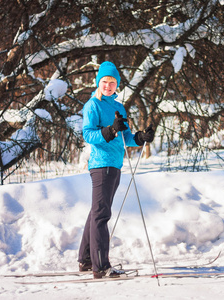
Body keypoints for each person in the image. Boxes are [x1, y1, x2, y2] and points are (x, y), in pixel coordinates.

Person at [78, 61, 155, 279]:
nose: (108, 86)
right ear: (98, 82)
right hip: (101, 165)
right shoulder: (93, 105)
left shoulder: (119, 107)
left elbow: (126, 137)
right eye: (104, 82)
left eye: (112, 83)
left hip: (115, 165)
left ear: (117, 85)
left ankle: (85, 260)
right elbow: (88, 134)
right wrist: (110, 129)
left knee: (96, 212)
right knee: (101, 215)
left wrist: (140, 137)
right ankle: (100, 266)